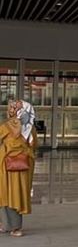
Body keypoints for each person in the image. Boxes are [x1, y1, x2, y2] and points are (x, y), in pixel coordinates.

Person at [0, 99, 37, 237]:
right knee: (18, 194)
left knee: (4, 193)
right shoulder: (30, 128)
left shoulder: (6, 126)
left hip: (5, 165)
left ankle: (6, 224)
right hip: (22, 166)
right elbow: (34, 145)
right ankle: (16, 228)